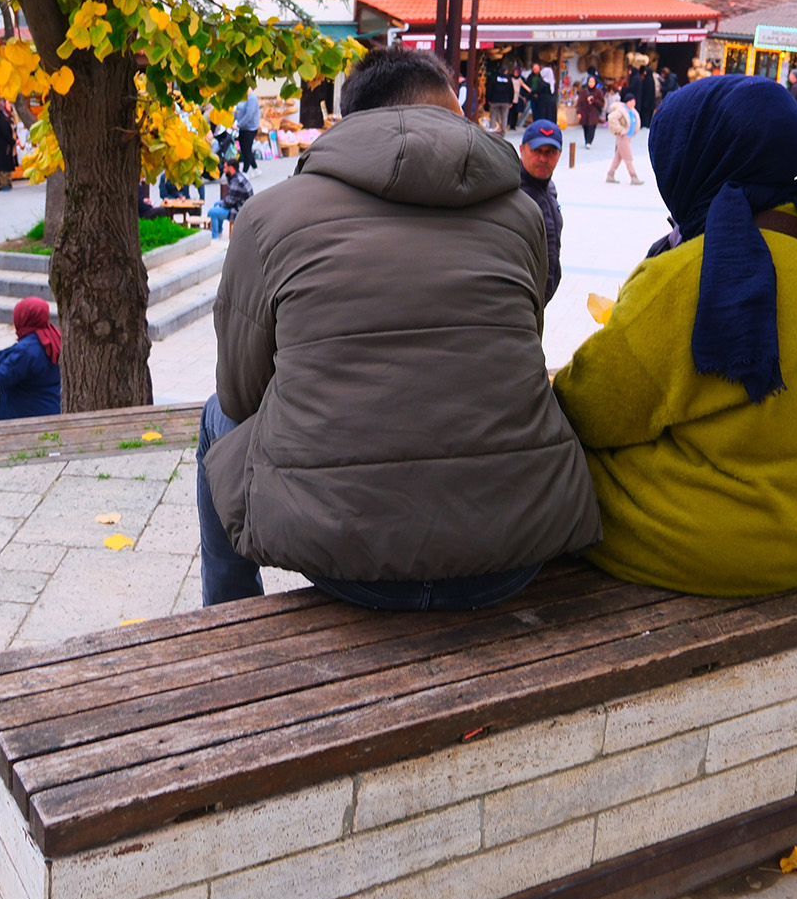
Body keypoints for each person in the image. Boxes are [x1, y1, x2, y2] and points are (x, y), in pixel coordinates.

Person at [199, 46, 598, 609]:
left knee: (216, 417)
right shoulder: (522, 214)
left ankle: (228, 611)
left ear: (352, 120)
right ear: (451, 113)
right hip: (514, 551)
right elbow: (521, 345)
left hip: (348, 562)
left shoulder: (268, 217)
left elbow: (242, 394)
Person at [552, 74, 797, 596]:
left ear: (697, 161)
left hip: (723, 540)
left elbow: (585, 409)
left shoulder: (689, 275)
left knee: (550, 463)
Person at [0, 298, 64, 420]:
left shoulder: (26, 350)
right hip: (50, 410)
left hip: (26, 418)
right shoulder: (53, 337)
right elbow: (15, 360)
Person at [518, 120, 564, 305]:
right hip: (518, 301)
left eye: (550, 152)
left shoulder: (549, 189)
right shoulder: (511, 190)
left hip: (540, 301)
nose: (543, 159)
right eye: (537, 151)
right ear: (522, 150)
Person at [206, 157, 253, 239]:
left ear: (230, 168)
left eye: (225, 167)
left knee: (212, 212)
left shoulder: (236, 181)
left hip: (239, 211)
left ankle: (214, 237)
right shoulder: (238, 177)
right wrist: (220, 205)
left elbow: (229, 202)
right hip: (241, 206)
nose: (223, 170)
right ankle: (219, 230)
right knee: (216, 204)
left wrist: (220, 206)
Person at [604, 95, 642, 185]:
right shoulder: (621, 110)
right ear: (627, 102)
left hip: (629, 136)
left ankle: (610, 174)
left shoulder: (632, 111)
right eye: (631, 101)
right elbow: (612, 118)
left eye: (634, 101)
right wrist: (620, 129)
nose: (633, 103)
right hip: (622, 136)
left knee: (618, 156)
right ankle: (633, 176)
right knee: (628, 157)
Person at [0, 101, 18, 191]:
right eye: (8, 104)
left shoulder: (8, 117)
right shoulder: (1, 118)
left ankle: (6, 183)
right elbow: (5, 132)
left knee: (5, 164)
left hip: (6, 145)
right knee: (2, 166)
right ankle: (1, 184)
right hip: (2, 146)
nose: (10, 106)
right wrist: (13, 141)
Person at [234, 87, 263, 170]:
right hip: (242, 128)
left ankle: (245, 171)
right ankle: (255, 168)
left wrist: (238, 125)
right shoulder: (241, 98)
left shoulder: (252, 99)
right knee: (244, 149)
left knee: (246, 150)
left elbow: (248, 115)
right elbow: (237, 111)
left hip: (250, 128)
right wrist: (233, 121)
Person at [574, 74, 606, 148]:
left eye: (593, 82)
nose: (591, 83)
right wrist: (578, 112)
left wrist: (593, 100)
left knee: (592, 127)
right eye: (590, 82)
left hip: (594, 113)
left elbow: (602, 102)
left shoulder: (598, 92)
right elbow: (580, 103)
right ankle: (586, 141)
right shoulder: (583, 92)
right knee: (585, 127)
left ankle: (589, 142)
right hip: (585, 112)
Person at [483, 60, 515, 133]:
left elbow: (490, 90)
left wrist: (489, 99)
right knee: (504, 116)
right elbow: (511, 91)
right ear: (506, 71)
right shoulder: (509, 80)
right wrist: (511, 101)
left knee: (493, 116)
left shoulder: (494, 79)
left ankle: (492, 130)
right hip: (506, 101)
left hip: (495, 101)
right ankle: (503, 131)